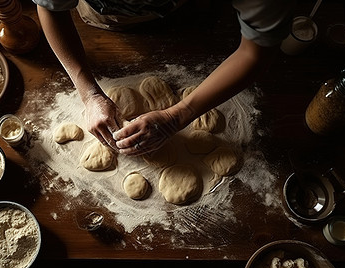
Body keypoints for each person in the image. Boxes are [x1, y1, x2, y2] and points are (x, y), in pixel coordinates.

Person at [34, 0, 295, 155]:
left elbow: (256, 52)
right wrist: (88, 92)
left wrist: (177, 115)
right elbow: (50, 8)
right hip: (104, 15)